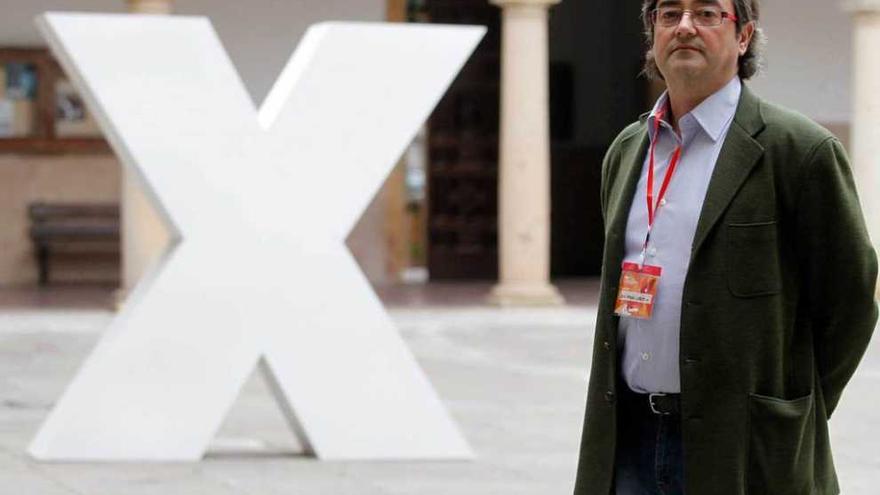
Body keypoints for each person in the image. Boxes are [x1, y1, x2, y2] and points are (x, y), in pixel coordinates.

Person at [572, 0, 879, 494]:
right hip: (626, 441)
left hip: (743, 445)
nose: (685, 27)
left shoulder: (799, 151)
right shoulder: (628, 150)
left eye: (708, 13)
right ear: (653, 34)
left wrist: (790, 403)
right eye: (669, 14)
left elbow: (851, 302)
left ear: (743, 36)